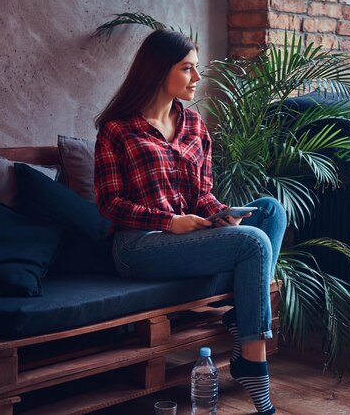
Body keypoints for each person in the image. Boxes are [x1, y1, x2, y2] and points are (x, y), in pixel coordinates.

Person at [93, 29, 284, 415]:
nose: (197, 78)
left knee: (269, 210)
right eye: (187, 69)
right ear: (158, 71)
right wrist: (169, 222)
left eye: (196, 69)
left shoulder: (195, 125)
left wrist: (220, 215)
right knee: (252, 243)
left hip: (184, 239)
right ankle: (253, 361)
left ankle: (239, 317)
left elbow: (202, 195)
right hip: (138, 247)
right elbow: (109, 204)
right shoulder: (117, 129)